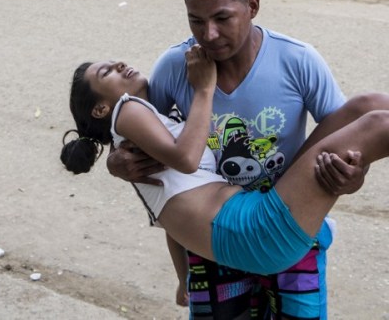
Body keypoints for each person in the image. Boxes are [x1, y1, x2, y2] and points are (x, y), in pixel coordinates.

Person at [105, 0, 368, 320]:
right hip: (214, 238)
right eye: (196, 21)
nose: (208, 35)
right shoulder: (173, 68)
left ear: (253, 5)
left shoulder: (299, 61)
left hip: (289, 229)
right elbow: (155, 156)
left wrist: (351, 177)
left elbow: (343, 142)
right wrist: (116, 163)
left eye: (222, 18)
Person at [60, 55, 386, 307]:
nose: (119, 64)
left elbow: (173, 224)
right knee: (375, 124)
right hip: (252, 231)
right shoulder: (127, 111)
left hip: (250, 224)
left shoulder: (146, 140)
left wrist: (183, 279)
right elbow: (187, 160)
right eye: (107, 73)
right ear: (102, 109)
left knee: (367, 106)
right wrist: (204, 87)